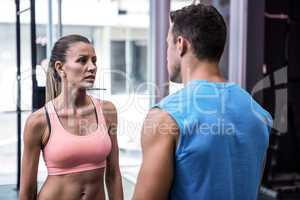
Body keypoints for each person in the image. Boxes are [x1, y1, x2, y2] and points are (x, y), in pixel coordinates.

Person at [133, 4, 272, 200]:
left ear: (181, 44)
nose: (166, 54)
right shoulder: (259, 115)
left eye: (168, 44)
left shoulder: (165, 117)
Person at [20, 34, 123, 200]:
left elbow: (113, 175)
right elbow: (27, 191)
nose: (92, 67)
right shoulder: (39, 121)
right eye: (82, 60)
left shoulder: (107, 111)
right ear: (61, 68)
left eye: (94, 60)